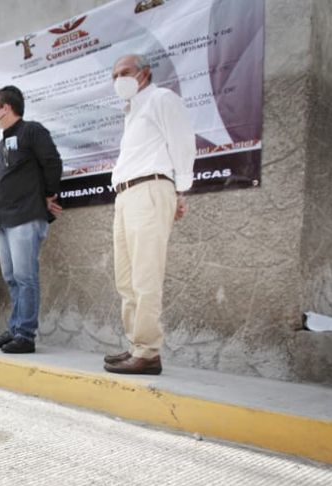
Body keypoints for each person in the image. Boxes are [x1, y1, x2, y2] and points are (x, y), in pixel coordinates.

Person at [103, 54, 196, 376]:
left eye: (125, 72)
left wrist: (179, 190)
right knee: (125, 279)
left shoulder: (161, 98)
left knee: (145, 276)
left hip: (150, 189)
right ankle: (136, 345)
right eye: (115, 74)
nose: (119, 79)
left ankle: (148, 352)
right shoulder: (132, 112)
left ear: (144, 73)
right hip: (126, 195)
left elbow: (183, 142)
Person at [0, 85, 62, 355]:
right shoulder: (1, 143)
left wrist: (49, 194)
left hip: (26, 215)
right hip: (4, 220)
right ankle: (15, 329)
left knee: (26, 277)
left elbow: (52, 162)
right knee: (12, 277)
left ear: (5, 108)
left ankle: (26, 335)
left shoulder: (32, 131)